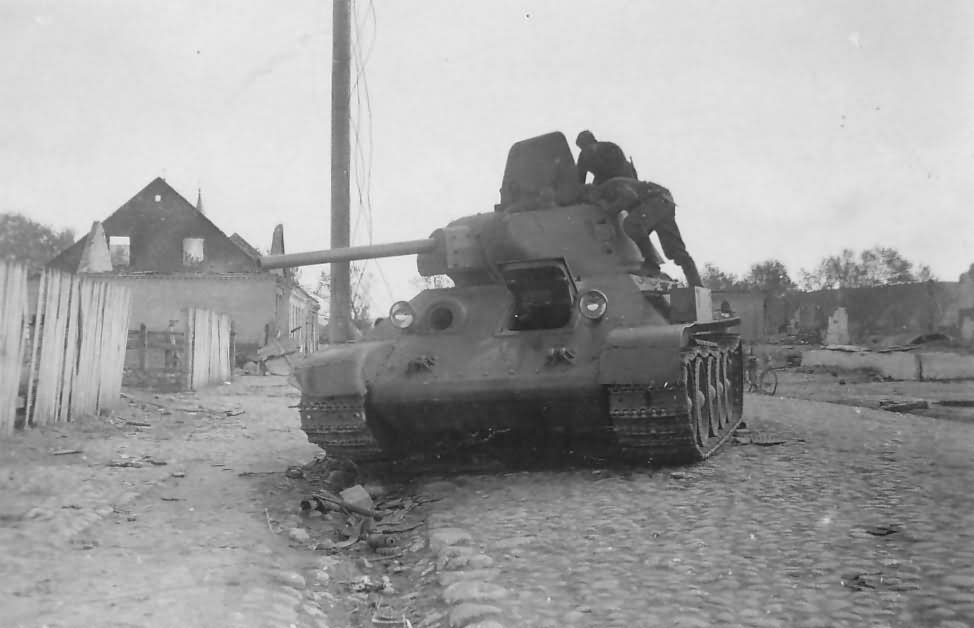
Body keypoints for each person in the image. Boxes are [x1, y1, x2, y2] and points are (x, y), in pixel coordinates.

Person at [595, 176, 703, 287]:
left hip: (655, 200)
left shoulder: (610, 187)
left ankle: (652, 264)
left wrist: (611, 211)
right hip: (664, 200)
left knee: (632, 225)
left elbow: (629, 196)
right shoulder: (612, 188)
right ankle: (696, 284)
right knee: (675, 250)